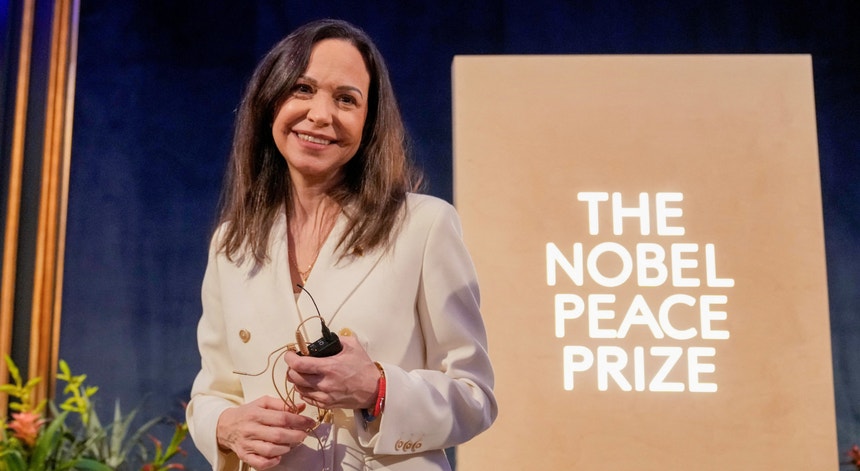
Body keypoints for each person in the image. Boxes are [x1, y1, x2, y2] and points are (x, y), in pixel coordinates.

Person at [186, 19, 497, 471]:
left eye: (346, 99)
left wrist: (376, 388)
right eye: (303, 89)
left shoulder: (424, 226)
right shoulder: (232, 244)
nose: (320, 114)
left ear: (369, 123)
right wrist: (226, 427)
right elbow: (212, 391)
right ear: (271, 101)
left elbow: (475, 395)